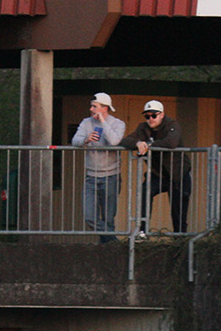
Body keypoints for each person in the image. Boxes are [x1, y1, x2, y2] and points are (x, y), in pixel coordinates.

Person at [123, 100, 191, 236]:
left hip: (178, 174)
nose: (150, 119)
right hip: (157, 174)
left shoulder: (172, 124)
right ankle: (142, 231)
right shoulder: (142, 128)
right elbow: (124, 141)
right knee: (144, 192)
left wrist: (147, 145)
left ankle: (180, 240)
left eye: (154, 115)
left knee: (178, 212)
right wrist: (138, 143)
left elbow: (171, 142)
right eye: (147, 116)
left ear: (162, 115)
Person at [71, 92, 127, 243]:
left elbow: (114, 141)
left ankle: (107, 249)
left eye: (94, 106)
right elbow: (75, 141)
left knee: (109, 218)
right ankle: (114, 242)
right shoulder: (86, 123)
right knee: (90, 216)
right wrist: (86, 139)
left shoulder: (118, 123)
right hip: (91, 176)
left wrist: (102, 121)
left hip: (111, 176)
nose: (91, 109)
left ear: (104, 108)